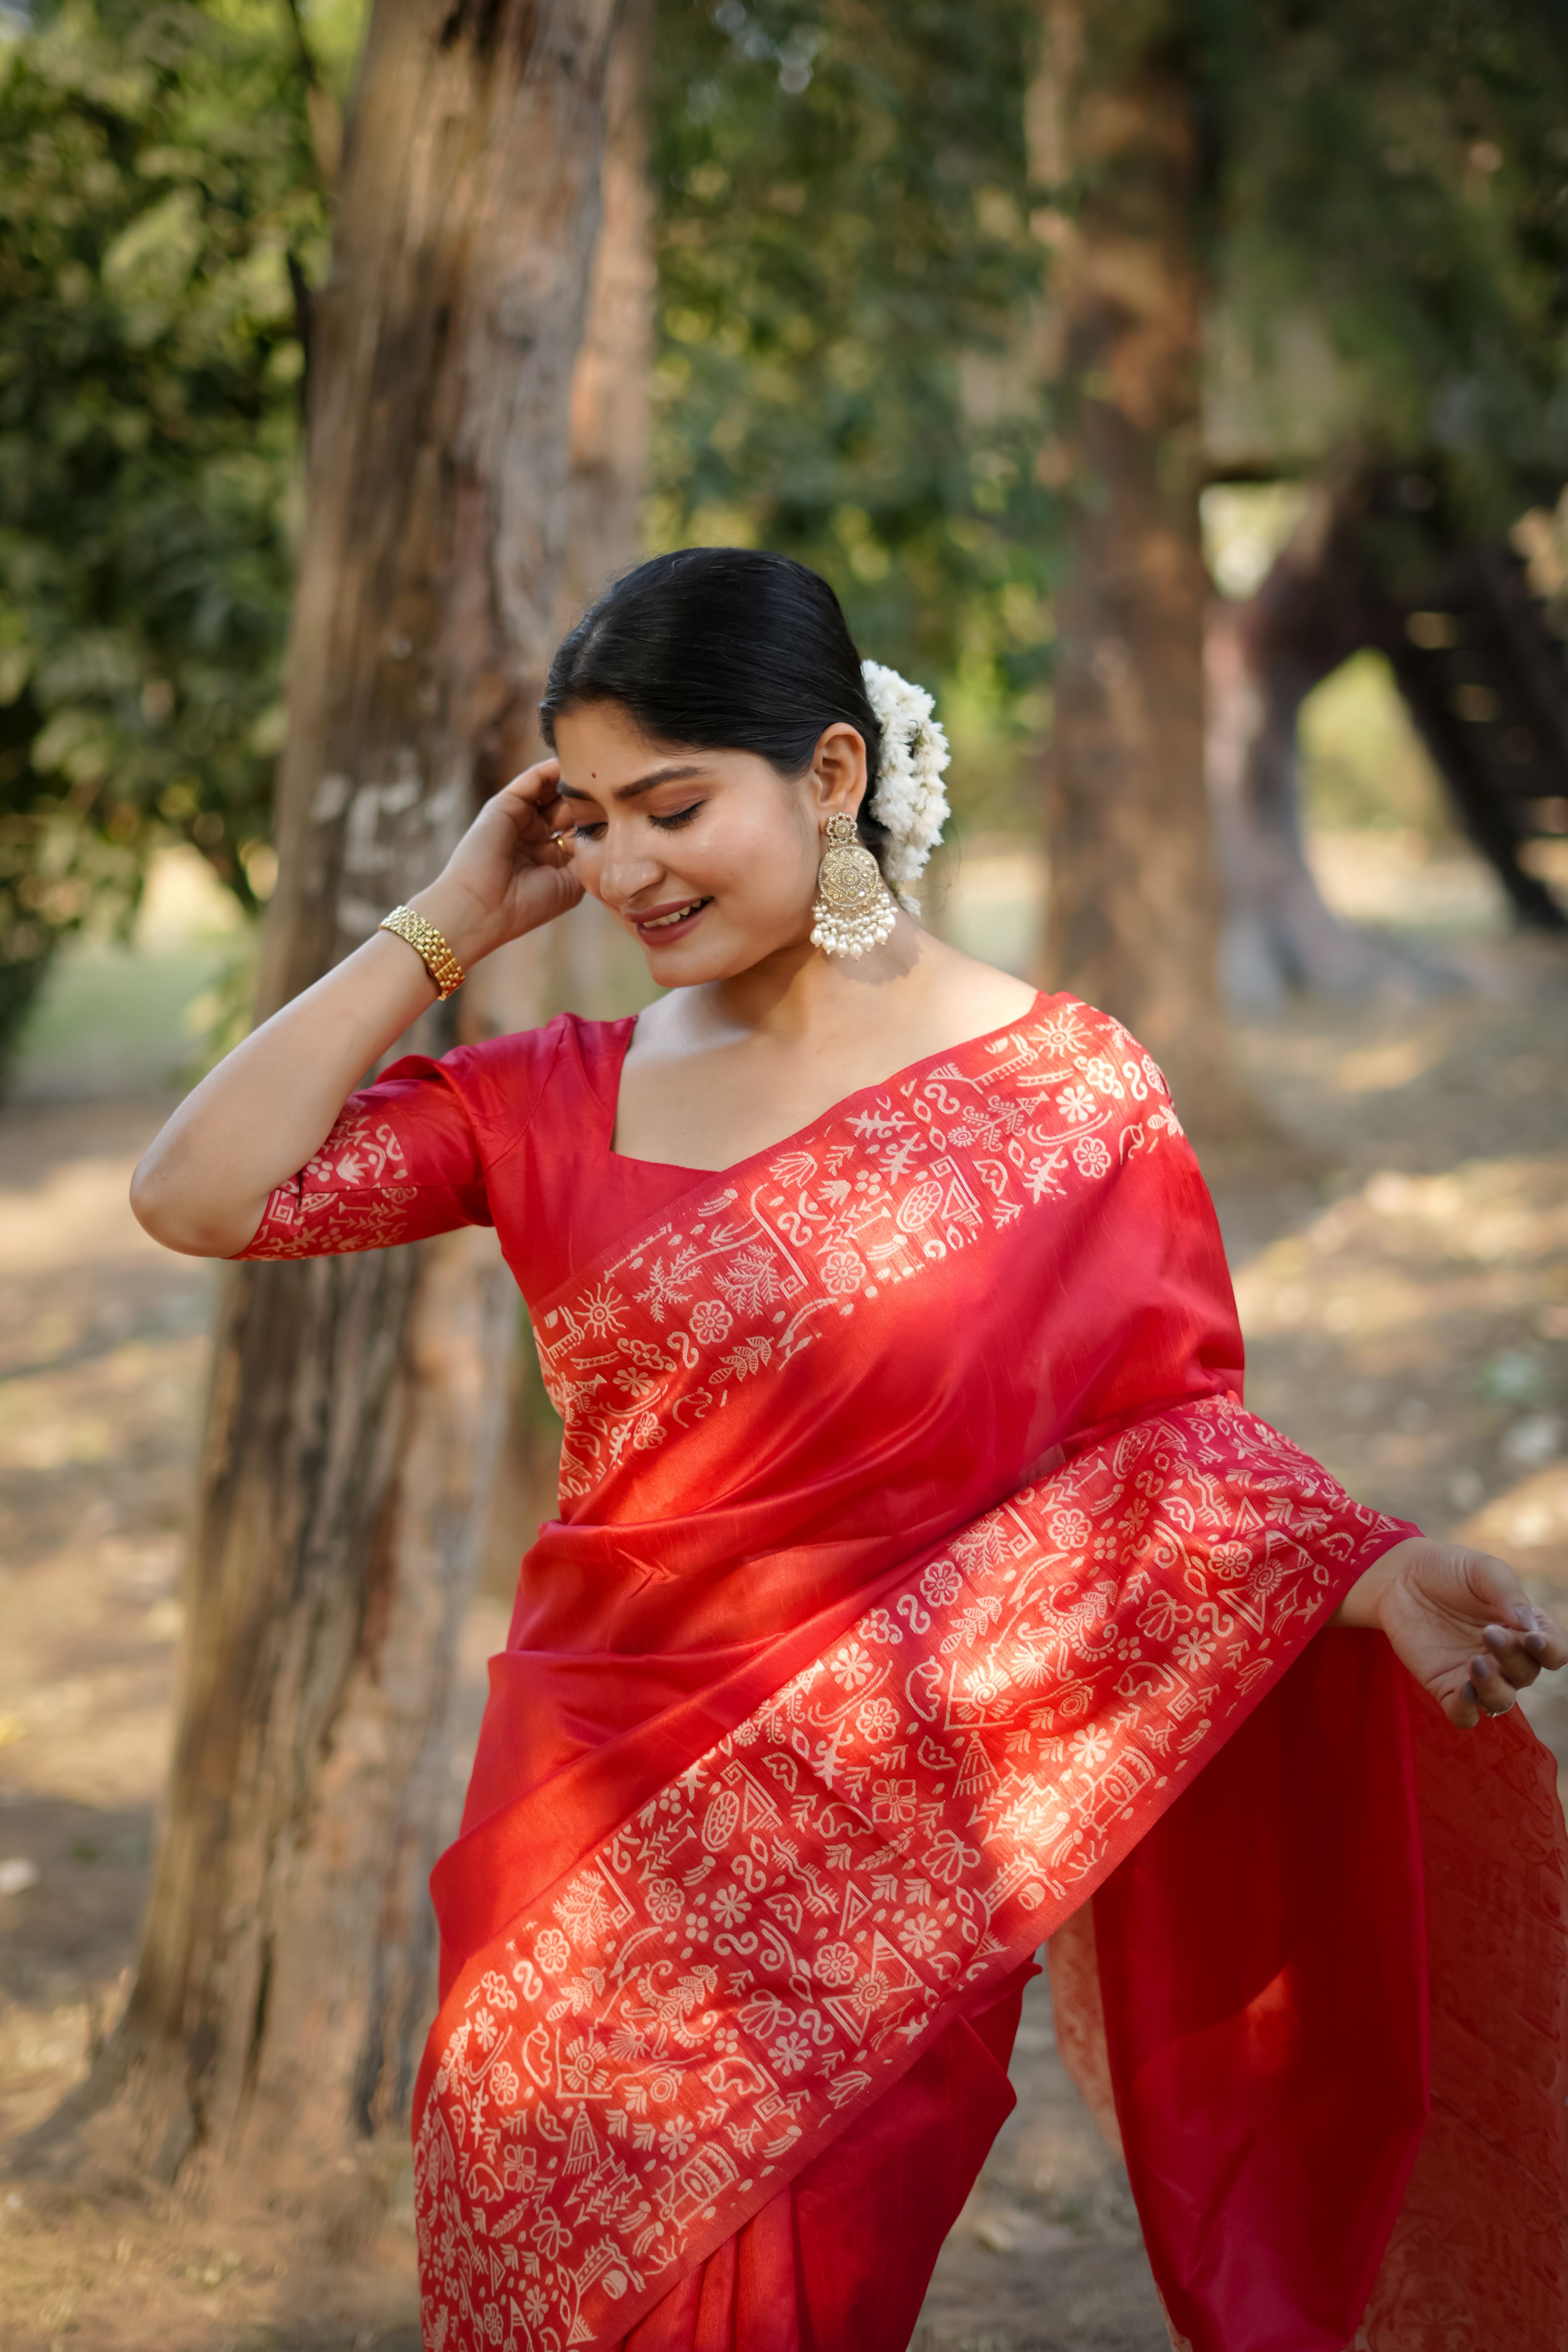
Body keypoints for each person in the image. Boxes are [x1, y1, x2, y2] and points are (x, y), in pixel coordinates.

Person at [131, 549, 1568, 2352]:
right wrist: (445, 921)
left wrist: (1363, 1574)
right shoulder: (550, 1092)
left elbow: (1165, 1452)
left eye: (674, 807)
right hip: (580, 1832)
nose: (624, 868)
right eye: (590, 819)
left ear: (828, 773)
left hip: (889, 1863)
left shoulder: (1063, 1093)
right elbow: (197, 1193)